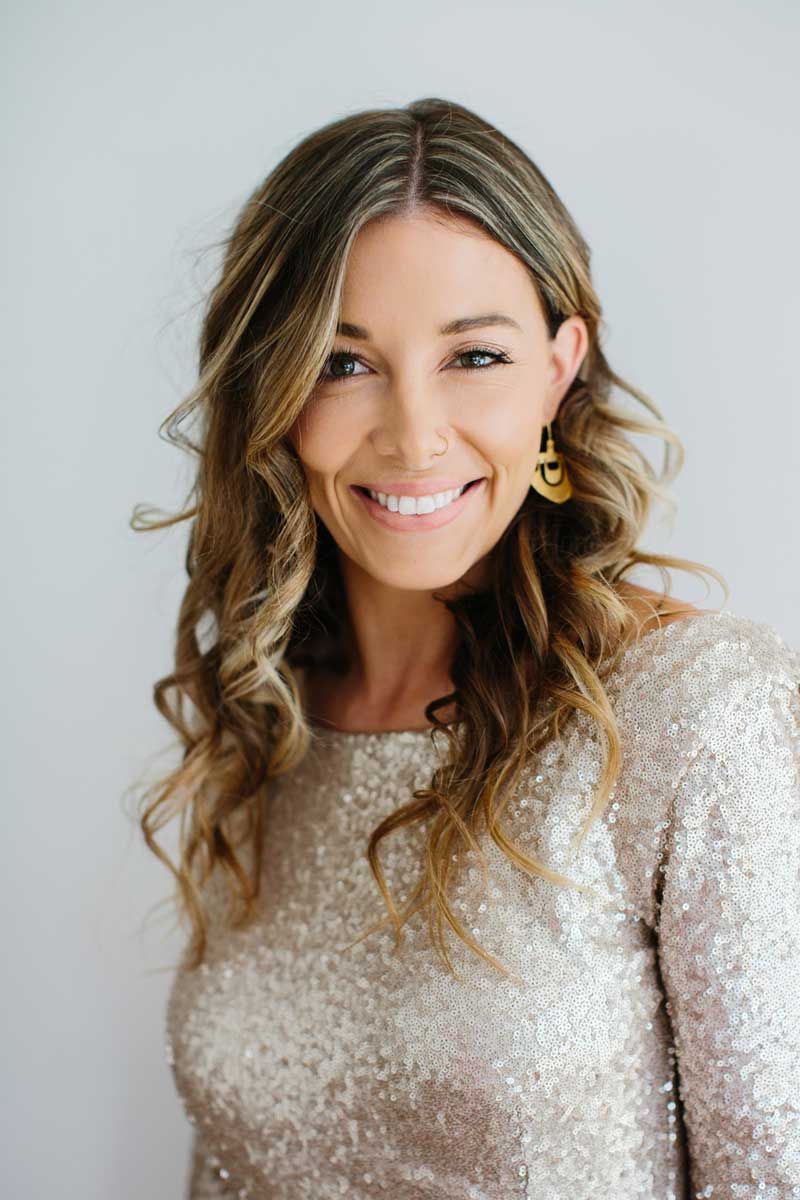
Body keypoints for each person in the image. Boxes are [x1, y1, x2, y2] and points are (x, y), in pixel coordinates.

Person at [134, 98, 800, 1198]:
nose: (413, 433)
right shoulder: (266, 715)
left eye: (473, 355)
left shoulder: (696, 712)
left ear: (558, 367)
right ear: (274, 393)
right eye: (342, 364)